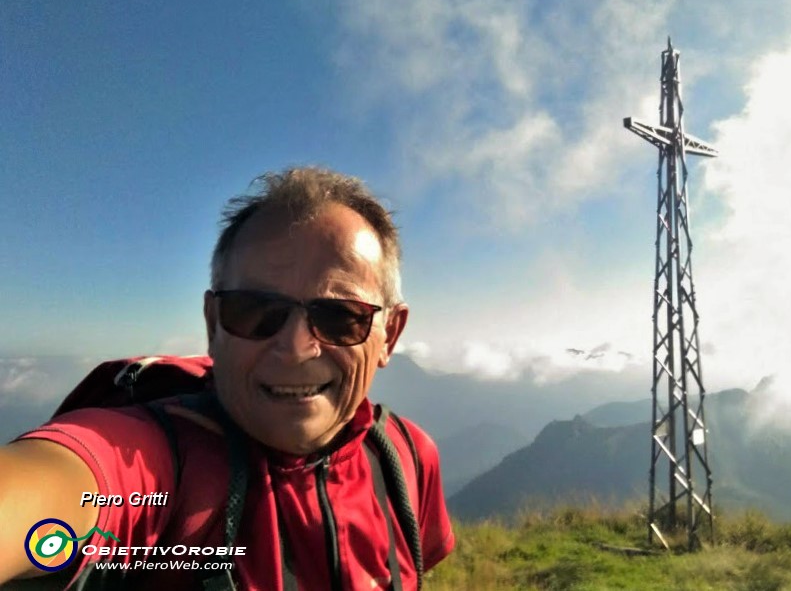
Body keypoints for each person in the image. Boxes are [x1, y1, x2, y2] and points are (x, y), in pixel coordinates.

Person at [0, 166, 455, 590]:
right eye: (256, 311)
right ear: (213, 323)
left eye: (340, 316)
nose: (295, 348)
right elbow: (61, 490)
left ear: (390, 335)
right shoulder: (158, 461)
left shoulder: (408, 457)